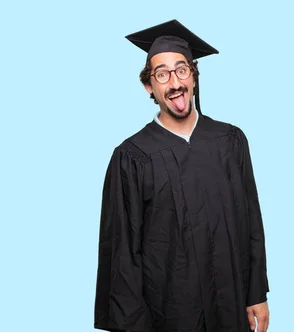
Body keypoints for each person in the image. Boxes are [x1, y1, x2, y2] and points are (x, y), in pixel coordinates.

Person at [93, 19, 270, 332]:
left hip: (229, 304)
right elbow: (122, 251)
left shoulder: (229, 141)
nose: (174, 82)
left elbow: (250, 222)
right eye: (162, 74)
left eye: (181, 70)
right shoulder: (131, 157)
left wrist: (256, 292)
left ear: (194, 76)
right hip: (168, 313)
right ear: (149, 85)